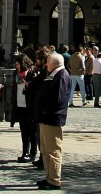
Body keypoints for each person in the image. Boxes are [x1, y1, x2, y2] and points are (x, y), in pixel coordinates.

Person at [33, 51, 69, 191]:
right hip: (45, 118)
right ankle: (49, 177)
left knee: (53, 150)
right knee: (45, 149)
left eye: (48, 62)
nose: (46, 64)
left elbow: (57, 99)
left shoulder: (61, 75)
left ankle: (54, 180)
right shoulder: (54, 74)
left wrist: (44, 110)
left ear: (53, 64)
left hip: (52, 118)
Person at [14, 54, 37, 163]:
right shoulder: (16, 74)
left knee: (32, 131)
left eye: (18, 64)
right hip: (19, 104)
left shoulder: (31, 73)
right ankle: (24, 152)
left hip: (29, 105)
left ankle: (32, 153)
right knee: (23, 131)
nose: (16, 66)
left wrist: (28, 85)